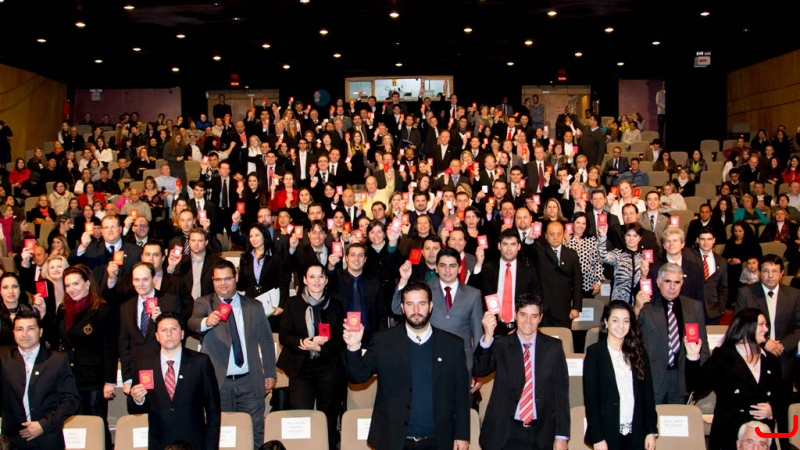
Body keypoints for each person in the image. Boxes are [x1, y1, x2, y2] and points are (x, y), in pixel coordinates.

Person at [344, 280, 471, 450]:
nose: (416, 310)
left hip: (439, 440)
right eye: (410, 304)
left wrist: (462, 434)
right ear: (402, 308)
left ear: (431, 306)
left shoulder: (452, 345)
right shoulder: (383, 341)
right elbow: (357, 376)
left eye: (422, 304)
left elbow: (461, 394)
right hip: (394, 440)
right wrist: (354, 346)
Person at [188, 260, 277, 448]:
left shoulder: (254, 306)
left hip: (250, 381)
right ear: (212, 280)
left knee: (255, 431)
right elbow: (193, 323)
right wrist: (206, 321)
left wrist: (270, 372)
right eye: (218, 279)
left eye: (227, 278)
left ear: (235, 277)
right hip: (219, 383)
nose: (223, 283)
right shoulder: (204, 303)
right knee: (223, 433)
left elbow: (266, 340)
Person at [473, 293, 569, 450]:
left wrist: (561, 436)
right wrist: (488, 336)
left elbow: (561, 395)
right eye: (523, 314)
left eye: (534, 316)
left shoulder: (554, 347)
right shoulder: (501, 344)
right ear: (515, 315)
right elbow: (480, 370)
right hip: (505, 433)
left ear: (540, 318)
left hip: (541, 433)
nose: (528, 321)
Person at [685, 308, 784, 450]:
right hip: (729, 435)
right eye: (761, 324)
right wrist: (693, 357)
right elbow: (695, 386)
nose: (766, 329)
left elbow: (782, 395)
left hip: (761, 438)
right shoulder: (723, 357)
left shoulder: (770, 360)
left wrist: (772, 409)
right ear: (746, 327)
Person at [128, 312, 221, 450]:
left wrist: (211, 447)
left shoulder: (200, 362)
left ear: (182, 334)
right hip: (160, 443)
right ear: (157, 336)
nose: (169, 334)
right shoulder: (144, 365)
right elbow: (133, 408)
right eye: (163, 330)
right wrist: (137, 399)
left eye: (174, 329)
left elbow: (213, 410)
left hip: (193, 444)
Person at [277, 263, 345, 449]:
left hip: (328, 368)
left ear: (326, 280)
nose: (316, 281)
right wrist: (303, 342)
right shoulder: (292, 304)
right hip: (301, 369)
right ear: (305, 280)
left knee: (328, 416)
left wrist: (322, 348)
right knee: (301, 415)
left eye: (321, 276)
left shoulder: (336, 306)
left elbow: (341, 340)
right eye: (312, 277)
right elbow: (284, 336)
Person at [55, 264, 119, 447]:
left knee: (95, 424)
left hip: (93, 380)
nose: (72, 289)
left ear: (88, 283)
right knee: (73, 426)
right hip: (68, 377)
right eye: (68, 285)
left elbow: (110, 348)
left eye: (76, 283)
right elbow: (56, 340)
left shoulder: (103, 310)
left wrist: (109, 381)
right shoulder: (63, 311)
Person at [0, 310, 80, 449]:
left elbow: (71, 400)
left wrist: (43, 425)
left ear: (40, 331)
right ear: (13, 332)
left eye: (30, 328)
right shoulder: (3, 357)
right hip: (13, 441)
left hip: (47, 438)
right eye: (19, 329)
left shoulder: (57, 360)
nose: (24, 334)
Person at [584, 301, 657, 450]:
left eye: (626, 321)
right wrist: (598, 438)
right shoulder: (594, 353)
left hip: (637, 431)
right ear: (606, 322)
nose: (621, 326)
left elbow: (648, 395)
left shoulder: (639, 352)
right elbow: (591, 400)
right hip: (607, 432)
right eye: (615, 320)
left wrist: (651, 430)